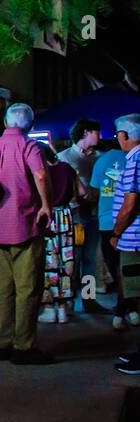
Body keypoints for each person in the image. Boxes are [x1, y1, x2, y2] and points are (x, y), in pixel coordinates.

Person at [0, 103, 55, 364]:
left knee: (4, 289)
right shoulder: (29, 146)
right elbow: (40, 175)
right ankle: (24, 345)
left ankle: (2, 342)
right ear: (29, 125)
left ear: (6, 123)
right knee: (28, 288)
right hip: (25, 223)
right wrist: (45, 204)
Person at [57, 119, 104, 315]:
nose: (100, 136)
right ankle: (66, 300)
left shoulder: (99, 158)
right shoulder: (64, 157)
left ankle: (89, 299)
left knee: (90, 259)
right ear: (86, 133)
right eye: (96, 132)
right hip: (73, 215)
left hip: (93, 213)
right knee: (70, 260)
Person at [107, 114, 140, 374]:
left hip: (134, 240)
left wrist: (117, 232)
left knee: (137, 296)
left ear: (124, 135)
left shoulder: (136, 158)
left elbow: (130, 203)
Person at [89, 138, 127, 327]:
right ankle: (129, 309)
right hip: (130, 222)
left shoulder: (100, 161)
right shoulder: (130, 158)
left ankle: (93, 300)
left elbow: (94, 191)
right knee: (128, 269)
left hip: (105, 221)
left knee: (111, 265)